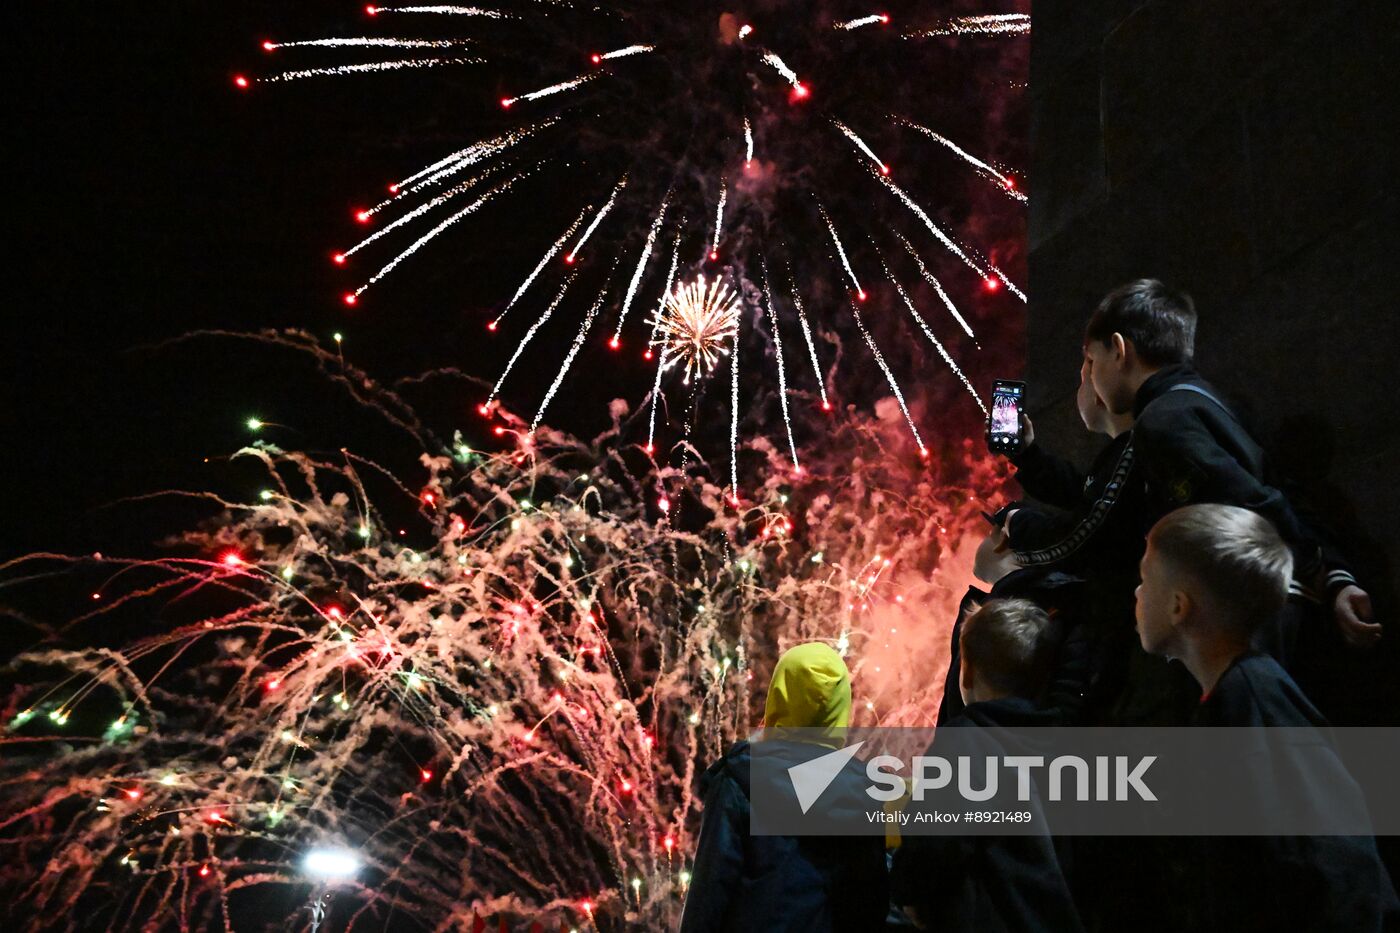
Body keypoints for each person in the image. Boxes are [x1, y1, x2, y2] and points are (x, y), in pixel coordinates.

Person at [1084, 278, 1381, 660]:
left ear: (1120, 351)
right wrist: (1335, 576)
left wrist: (1318, 572)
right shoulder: (1214, 402)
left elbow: (1248, 500)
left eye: (1092, 362)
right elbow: (1285, 491)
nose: (1091, 378)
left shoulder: (1162, 422)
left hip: (1250, 614)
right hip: (1292, 603)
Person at [1135, 504, 1400, 931]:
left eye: (1145, 580)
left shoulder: (1254, 700)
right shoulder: (1231, 697)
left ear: (1179, 606)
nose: (1136, 593)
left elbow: (1334, 860)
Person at [893, 599, 1085, 932]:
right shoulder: (1064, 745)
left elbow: (931, 847)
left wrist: (905, 891)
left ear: (964, 674)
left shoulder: (965, 742)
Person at [679, 643, 888, 933]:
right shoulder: (867, 790)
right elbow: (871, 904)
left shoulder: (740, 779)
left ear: (780, 695)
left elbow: (710, 894)